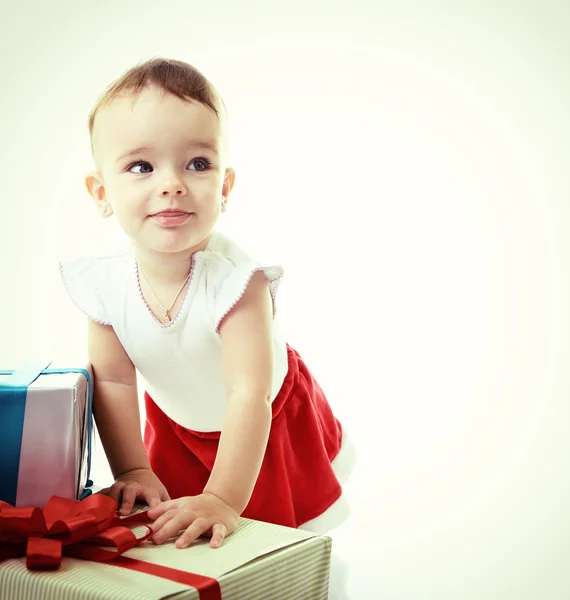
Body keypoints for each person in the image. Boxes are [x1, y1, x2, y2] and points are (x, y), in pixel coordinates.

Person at [60, 57, 354, 556]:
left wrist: (221, 497)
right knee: (179, 536)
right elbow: (112, 381)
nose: (171, 183)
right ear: (101, 192)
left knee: (266, 544)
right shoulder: (103, 281)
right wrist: (133, 468)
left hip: (265, 419)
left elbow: (248, 394)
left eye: (197, 164)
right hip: (178, 422)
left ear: (225, 186)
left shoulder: (238, 281)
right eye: (141, 166)